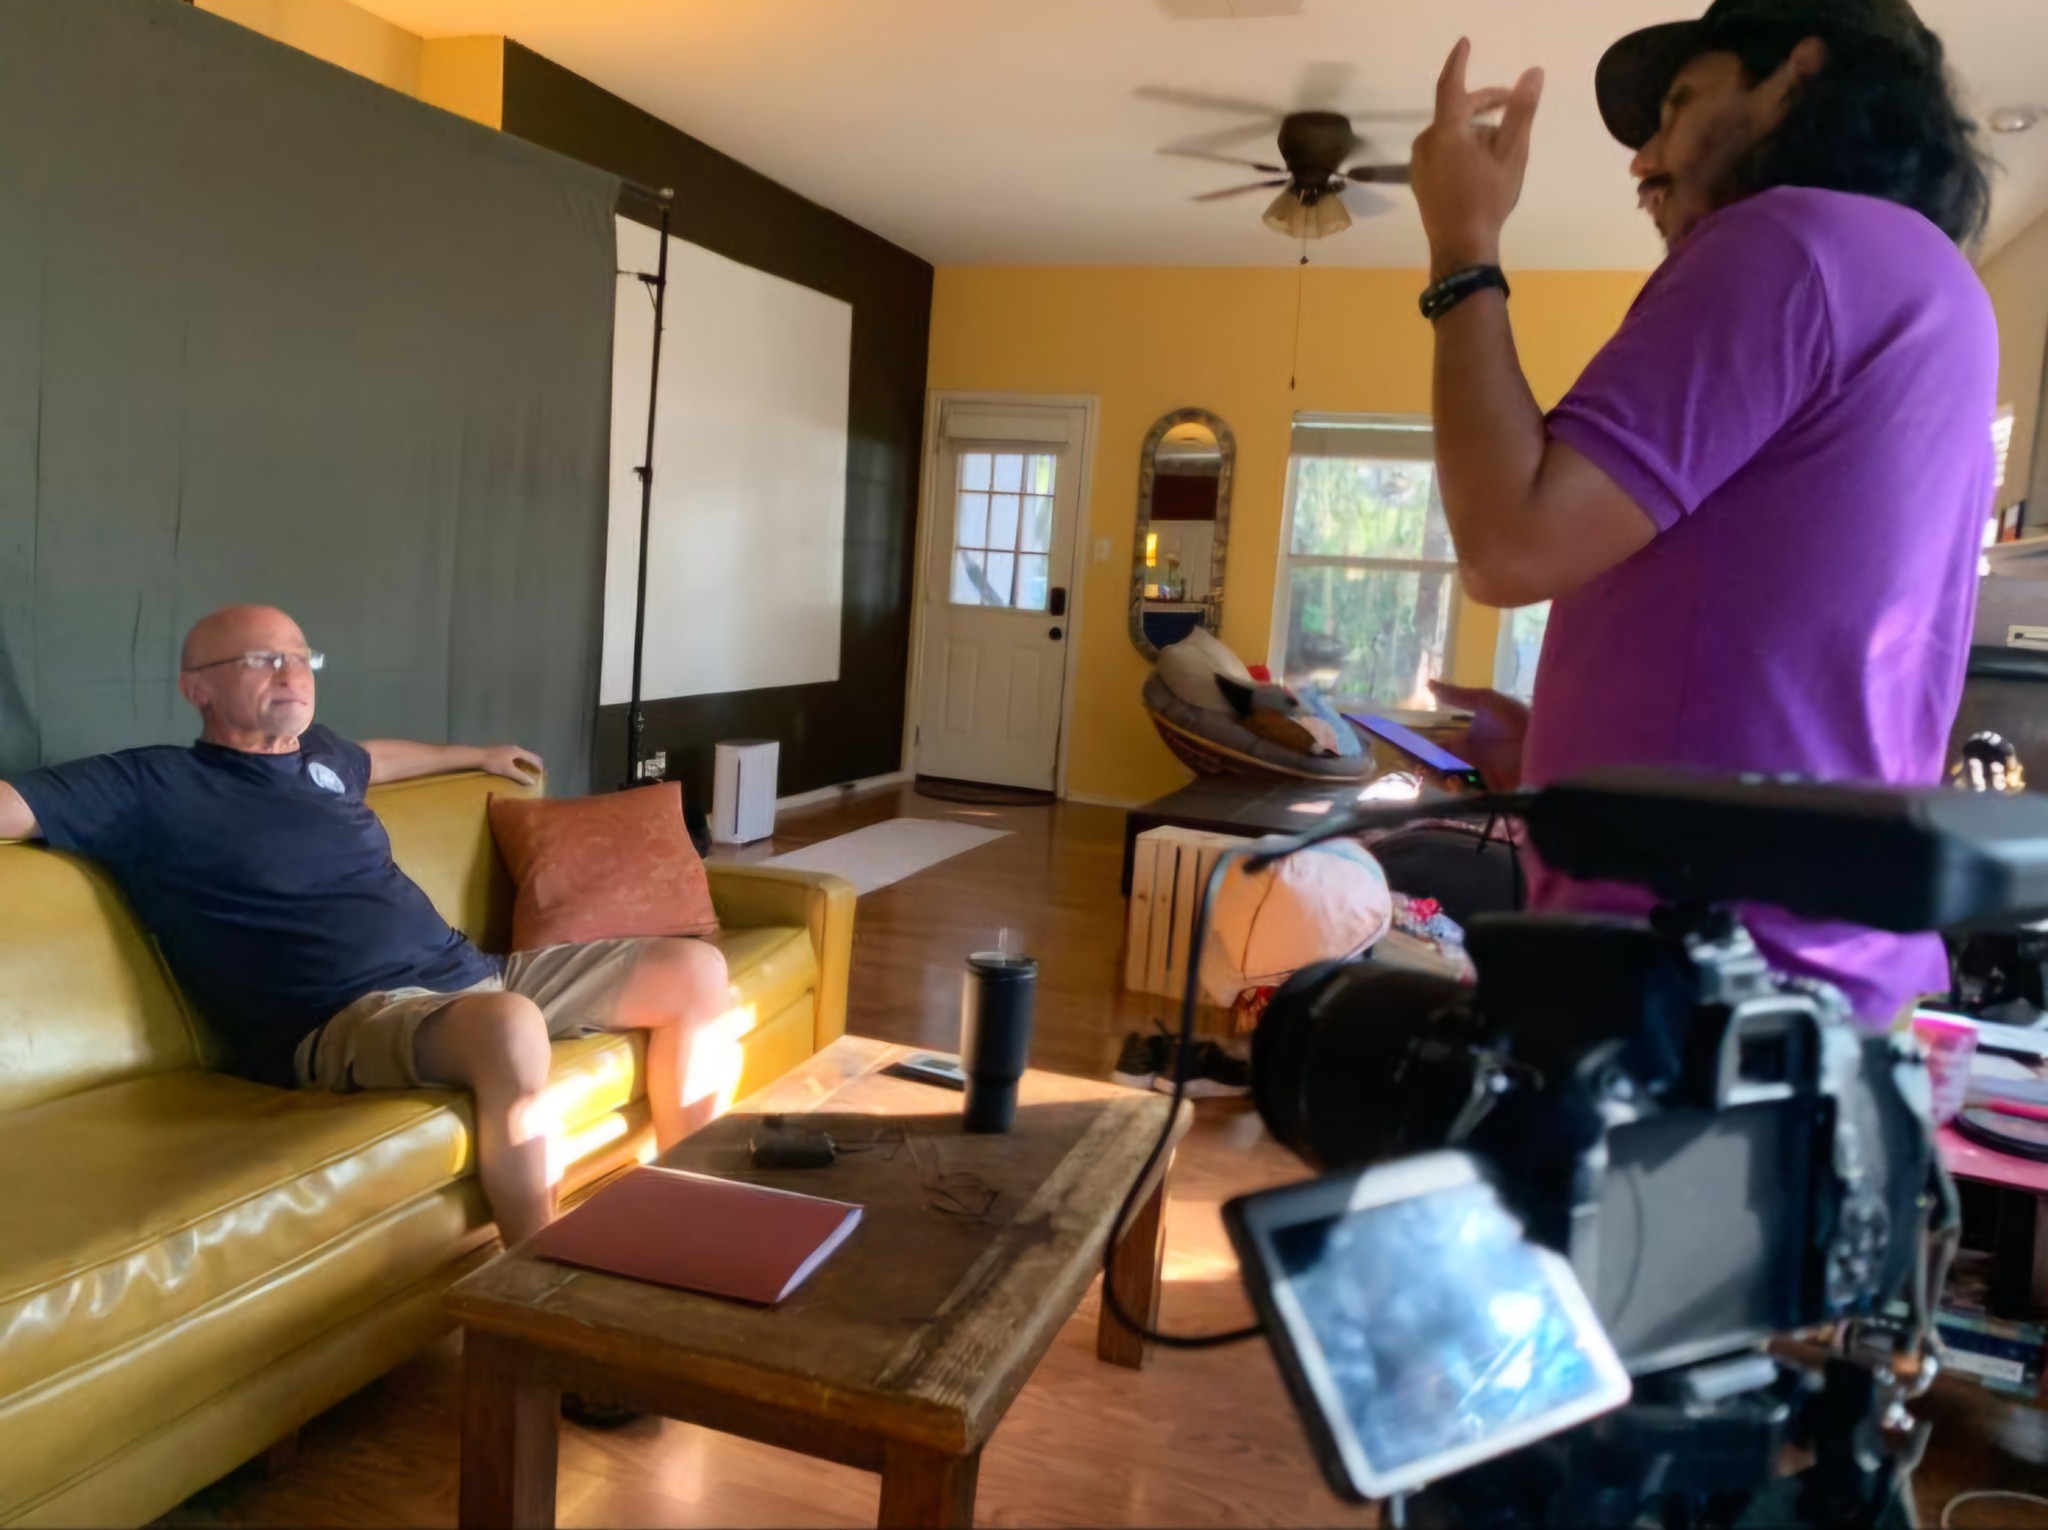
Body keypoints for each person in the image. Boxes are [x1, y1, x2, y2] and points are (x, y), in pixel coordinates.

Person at [1407, 0, 1996, 1024]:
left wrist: (1463, 243)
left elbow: (1506, 543)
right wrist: (1559, 752)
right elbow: (1801, 646)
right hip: (1821, 967)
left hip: (1692, 968)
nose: (1644, 158)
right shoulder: (1931, 287)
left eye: (1678, 103)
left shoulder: (1787, 241)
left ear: (1797, 74)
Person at [0, 604, 731, 1245]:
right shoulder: (150, 784)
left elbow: (377, 759)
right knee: (510, 1026)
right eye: (262, 659)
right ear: (198, 688)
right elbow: (12, 806)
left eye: (301, 657)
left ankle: (696, 1205)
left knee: (694, 970)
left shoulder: (321, 757)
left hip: (472, 975)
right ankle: (541, 1289)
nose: (291, 672)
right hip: (344, 1019)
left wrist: (475, 754)